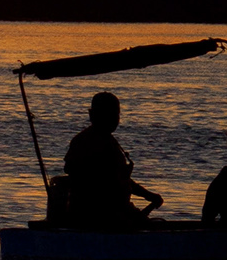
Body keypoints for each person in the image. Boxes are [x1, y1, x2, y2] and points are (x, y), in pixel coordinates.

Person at [63, 91, 164, 230]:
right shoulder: (85, 142)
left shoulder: (110, 141)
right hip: (99, 216)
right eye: (109, 114)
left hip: (119, 211)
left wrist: (148, 195)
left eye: (116, 115)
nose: (115, 119)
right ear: (93, 115)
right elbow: (79, 174)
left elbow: (122, 178)